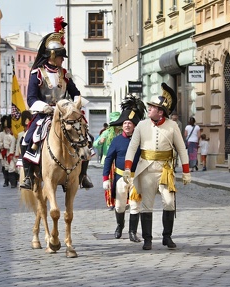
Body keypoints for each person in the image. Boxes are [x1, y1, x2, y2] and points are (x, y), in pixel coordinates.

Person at [20, 16, 93, 190]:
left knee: (86, 137)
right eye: (61, 56)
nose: (63, 60)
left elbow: (75, 93)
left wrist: (75, 105)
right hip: (45, 113)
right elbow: (31, 98)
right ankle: (29, 176)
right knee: (27, 139)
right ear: (52, 55)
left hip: (65, 113)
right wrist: (44, 107)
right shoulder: (37, 73)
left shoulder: (64, 73)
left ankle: (82, 175)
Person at [123, 83, 192, 251]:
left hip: (165, 170)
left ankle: (167, 237)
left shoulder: (172, 126)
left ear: (160, 111)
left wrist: (186, 171)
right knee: (146, 205)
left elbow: (181, 148)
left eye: (152, 107)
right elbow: (132, 147)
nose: (149, 109)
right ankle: (147, 239)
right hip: (145, 169)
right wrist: (127, 168)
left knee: (169, 202)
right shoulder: (141, 125)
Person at [102, 95, 146, 242]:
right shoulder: (117, 140)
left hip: (136, 178)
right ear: (122, 125)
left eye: (130, 123)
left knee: (135, 206)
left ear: (134, 125)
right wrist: (105, 179)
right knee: (120, 206)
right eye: (125, 123)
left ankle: (133, 232)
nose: (127, 125)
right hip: (121, 177)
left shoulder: (140, 140)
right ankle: (119, 226)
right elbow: (108, 159)